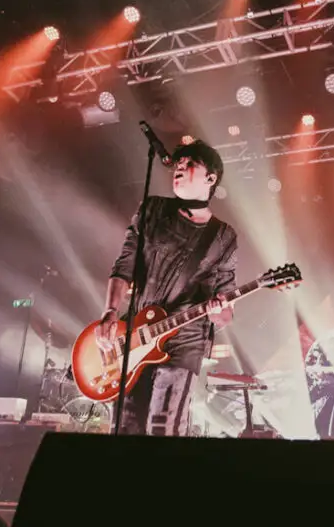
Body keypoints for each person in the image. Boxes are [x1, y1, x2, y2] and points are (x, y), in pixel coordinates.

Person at [97, 140, 237, 436]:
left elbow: (225, 316)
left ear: (210, 178)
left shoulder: (223, 236)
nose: (179, 167)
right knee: (124, 427)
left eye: (189, 164)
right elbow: (124, 264)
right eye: (177, 164)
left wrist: (217, 311)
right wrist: (110, 311)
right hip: (137, 333)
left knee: (164, 429)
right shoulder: (153, 209)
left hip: (184, 342)